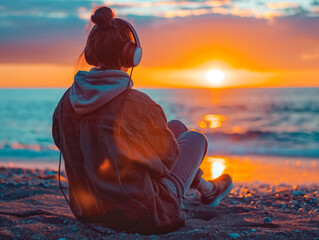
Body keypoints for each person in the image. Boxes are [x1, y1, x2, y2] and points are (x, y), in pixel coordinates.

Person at [52, 6, 233, 234]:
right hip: (142, 214)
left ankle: (208, 189)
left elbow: (65, 145)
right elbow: (167, 161)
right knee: (196, 139)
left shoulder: (66, 101)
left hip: (87, 210)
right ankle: (209, 190)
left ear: (90, 53)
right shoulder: (138, 105)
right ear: (132, 55)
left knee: (176, 128)